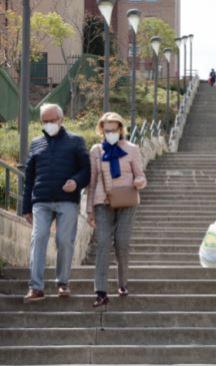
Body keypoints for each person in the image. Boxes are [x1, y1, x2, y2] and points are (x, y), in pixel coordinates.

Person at [21, 103, 91, 302]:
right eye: (45, 121)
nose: (49, 124)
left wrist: (76, 181)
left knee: (64, 241)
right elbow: (29, 177)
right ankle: (36, 288)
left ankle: (63, 283)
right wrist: (25, 207)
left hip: (67, 201)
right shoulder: (35, 143)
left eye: (52, 120)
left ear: (61, 120)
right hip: (40, 201)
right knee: (39, 238)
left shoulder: (76, 141)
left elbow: (87, 170)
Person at [86, 112, 147, 307]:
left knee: (122, 242)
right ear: (101, 130)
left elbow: (141, 176)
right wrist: (89, 210)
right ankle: (101, 291)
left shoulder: (132, 149)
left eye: (113, 129)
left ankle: (123, 282)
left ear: (120, 129)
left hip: (127, 201)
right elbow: (92, 181)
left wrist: (139, 181)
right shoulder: (96, 150)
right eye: (106, 129)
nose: (110, 133)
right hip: (102, 202)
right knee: (103, 243)